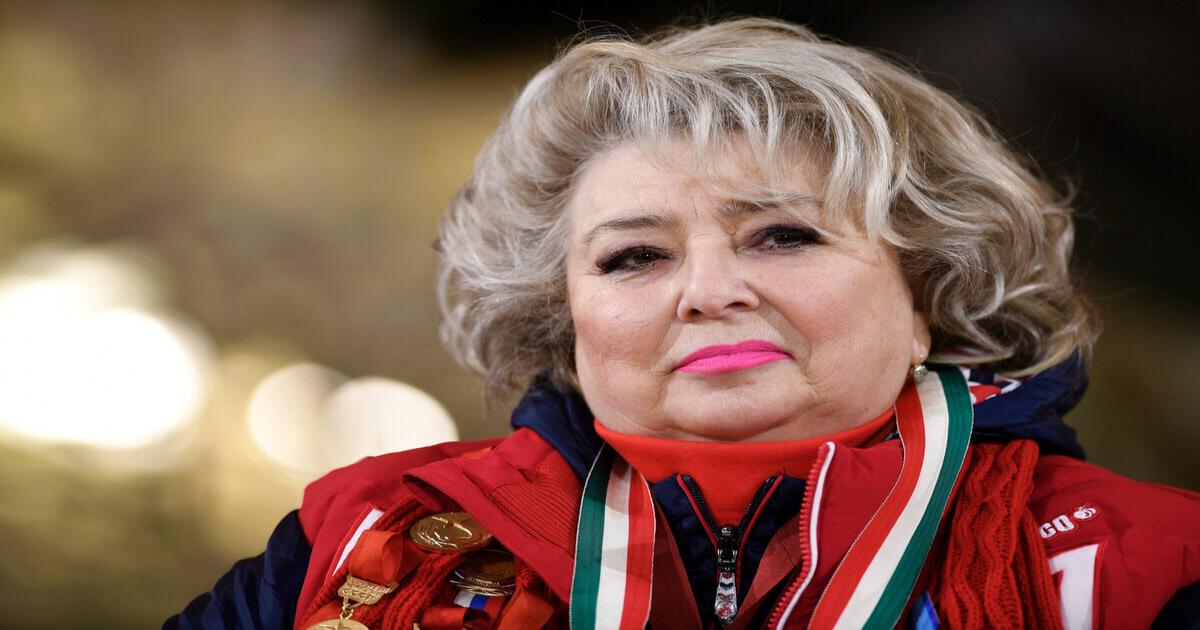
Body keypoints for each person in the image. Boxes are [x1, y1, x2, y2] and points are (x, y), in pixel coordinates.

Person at [167, 17, 1200, 629]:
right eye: (634, 257)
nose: (707, 291)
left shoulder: (1150, 563)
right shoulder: (362, 540)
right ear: (563, 319)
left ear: (926, 295)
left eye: (783, 236)